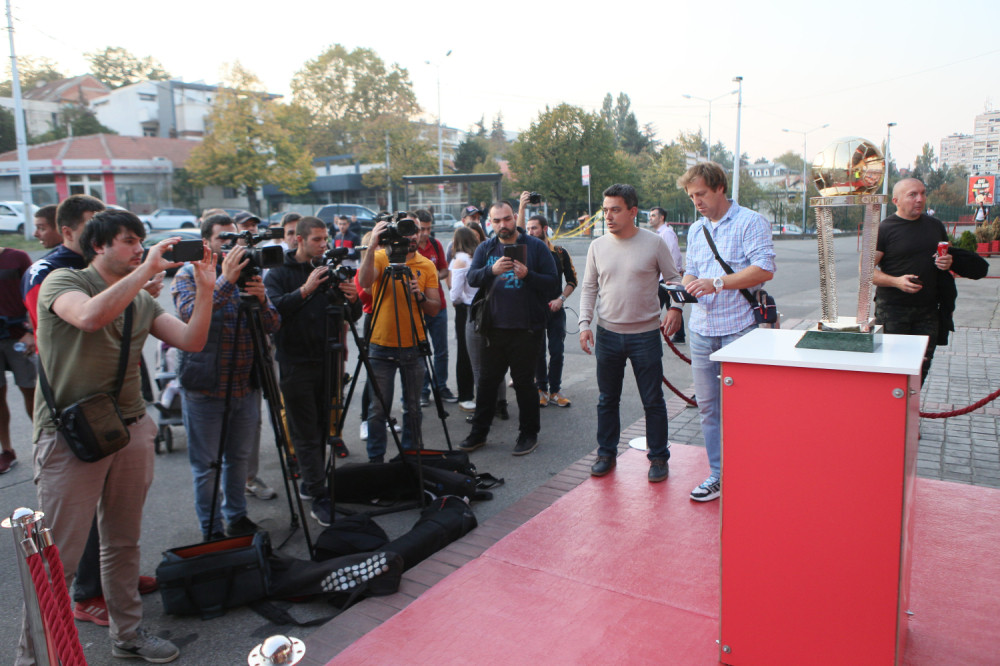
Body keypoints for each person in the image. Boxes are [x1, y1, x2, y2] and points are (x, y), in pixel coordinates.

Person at [17, 209, 216, 664]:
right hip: (69, 436)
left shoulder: (141, 302)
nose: (139, 248)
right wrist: (145, 271)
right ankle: (33, 656)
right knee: (57, 559)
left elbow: (191, 340)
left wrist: (205, 290)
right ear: (99, 246)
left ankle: (128, 634)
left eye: (141, 240)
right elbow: (88, 318)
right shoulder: (62, 283)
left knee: (123, 542)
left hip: (130, 429)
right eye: (129, 241)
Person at [171, 214, 280, 540]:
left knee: (238, 459)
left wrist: (261, 300)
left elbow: (273, 325)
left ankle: (237, 517)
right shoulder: (187, 274)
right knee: (206, 466)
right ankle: (211, 529)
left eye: (236, 238)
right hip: (205, 387)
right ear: (206, 242)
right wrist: (225, 281)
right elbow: (190, 315)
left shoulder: (251, 275)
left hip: (245, 385)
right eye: (223, 239)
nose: (231, 245)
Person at [678, 162, 775, 502]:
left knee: (745, 408)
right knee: (708, 408)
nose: (697, 202)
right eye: (692, 196)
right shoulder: (696, 229)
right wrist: (684, 288)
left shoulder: (750, 221)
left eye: (701, 193)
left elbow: (764, 268)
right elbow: (691, 271)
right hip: (703, 330)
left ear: (720, 187)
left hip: (741, 329)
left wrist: (717, 283)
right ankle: (718, 474)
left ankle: (751, 470)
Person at [579, 184, 680, 483]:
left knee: (653, 400)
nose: (608, 216)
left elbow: (674, 279)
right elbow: (589, 288)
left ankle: (659, 457)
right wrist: (584, 324)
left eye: (615, 210)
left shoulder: (654, 243)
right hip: (607, 334)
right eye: (605, 210)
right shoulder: (597, 246)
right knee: (607, 399)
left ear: (633, 211)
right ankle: (606, 453)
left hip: (645, 335)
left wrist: (676, 309)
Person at [265, 216, 361, 526]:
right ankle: (318, 492)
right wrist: (306, 290)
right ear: (299, 240)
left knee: (324, 426)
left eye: (325, 239)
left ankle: (313, 482)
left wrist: (353, 297)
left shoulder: (329, 269)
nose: (324, 245)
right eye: (317, 240)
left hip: (328, 359)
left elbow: (351, 314)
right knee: (304, 431)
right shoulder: (278, 272)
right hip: (295, 361)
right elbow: (274, 312)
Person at [458, 200, 558, 456]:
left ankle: (528, 434)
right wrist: (491, 270)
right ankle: (479, 433)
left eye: (507, 219)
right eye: (497, 221)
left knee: (524, 383)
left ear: (514, 218)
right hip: (494, 328)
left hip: (527, 328)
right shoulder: (486, 247)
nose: (503, 225)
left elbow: (552, 283)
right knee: (488, 382)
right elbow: (472, 278)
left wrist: (528, 276)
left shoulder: (535, 247)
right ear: (490, 223)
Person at [357, 213, 440, 463]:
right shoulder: (381, 258)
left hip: (413, 346)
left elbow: (435, 308)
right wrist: (372, 245)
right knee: (377, 410)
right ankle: (376, 462)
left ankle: (411, 458)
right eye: (405, 230)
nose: (411, 236)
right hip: (381, 346)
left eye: (414, 230)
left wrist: (420, 296)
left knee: (413, 409)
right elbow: (364, 283)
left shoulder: (426, 265)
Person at [873, 178, 953, 383]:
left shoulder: (935, 226)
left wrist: (947, 262)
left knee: (921, 367)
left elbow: (944, 259)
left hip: (927, 311)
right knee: (892, 368)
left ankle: (911, 412)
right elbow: (865, 272)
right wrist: (896, 281)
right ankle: (891, 413)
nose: (920, 199)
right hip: (893, 311)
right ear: (896, 200)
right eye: (912, 195)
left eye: (923, 193)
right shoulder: (885, 228)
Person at [524, 210, 577, 408]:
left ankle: (555, 390)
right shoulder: (526, 253)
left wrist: (561, 299)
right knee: (537, 351)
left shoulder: (560, 253)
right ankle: (541, 389)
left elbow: (572, 280)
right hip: (534, 309)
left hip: (556, 309)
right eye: (528, 228)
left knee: (557, 350)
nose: (530, 232)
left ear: (544, 229)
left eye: (534, 228)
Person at [414, 209, 457, 404]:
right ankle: (423, 390)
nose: (425, 233)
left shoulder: (435, 243)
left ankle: (441, 387)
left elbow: (444, 269)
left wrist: (430, 276)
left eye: (428, 228)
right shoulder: (409, 248)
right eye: (422, 229)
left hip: (437, 304)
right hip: (416, 308)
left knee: (441, 350)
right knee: (420, 351)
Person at [0, 244, 34, 475]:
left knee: (31, 391)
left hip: (19, 335)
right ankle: (7, 450)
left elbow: (34, 295)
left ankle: (45, 446)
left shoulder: (17, 257)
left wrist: (32, 330)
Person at [449, 226, 483, 412]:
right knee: (483, 355)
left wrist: (462, 300)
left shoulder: (460, 261)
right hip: (484, 307)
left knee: (465, 353)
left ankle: (466, 395)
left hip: (467, 309)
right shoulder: (478, 257)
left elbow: (454, 295)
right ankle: (488, 396)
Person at [649, 206, 686, 344]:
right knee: (671, 305)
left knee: (655, 306)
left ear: (661, 217)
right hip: (663, 276)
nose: (650, 218)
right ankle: (679, 336)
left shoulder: (667, 233)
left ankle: (650, 334)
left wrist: (674, 272)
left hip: (666, 277)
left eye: (653, 215)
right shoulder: (660, 233)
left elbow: (674, 254)